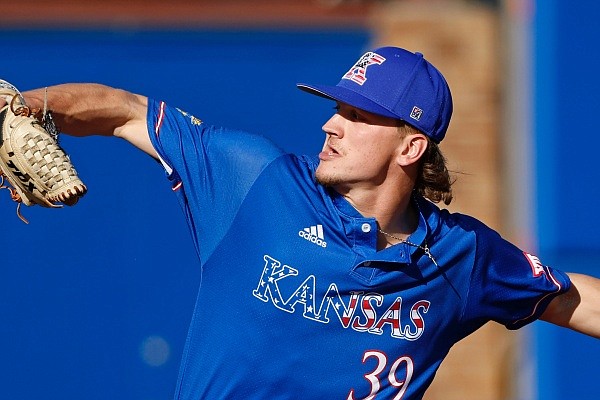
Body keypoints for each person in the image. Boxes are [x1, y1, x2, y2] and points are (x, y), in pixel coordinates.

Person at [5, 46, 600, 399]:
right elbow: (126, 111)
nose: (330, 125)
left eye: (357, 114)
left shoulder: (462, 256)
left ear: (411, 146)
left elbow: (573, 300)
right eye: (335, 108)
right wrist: (25, 106)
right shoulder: (255, 179)